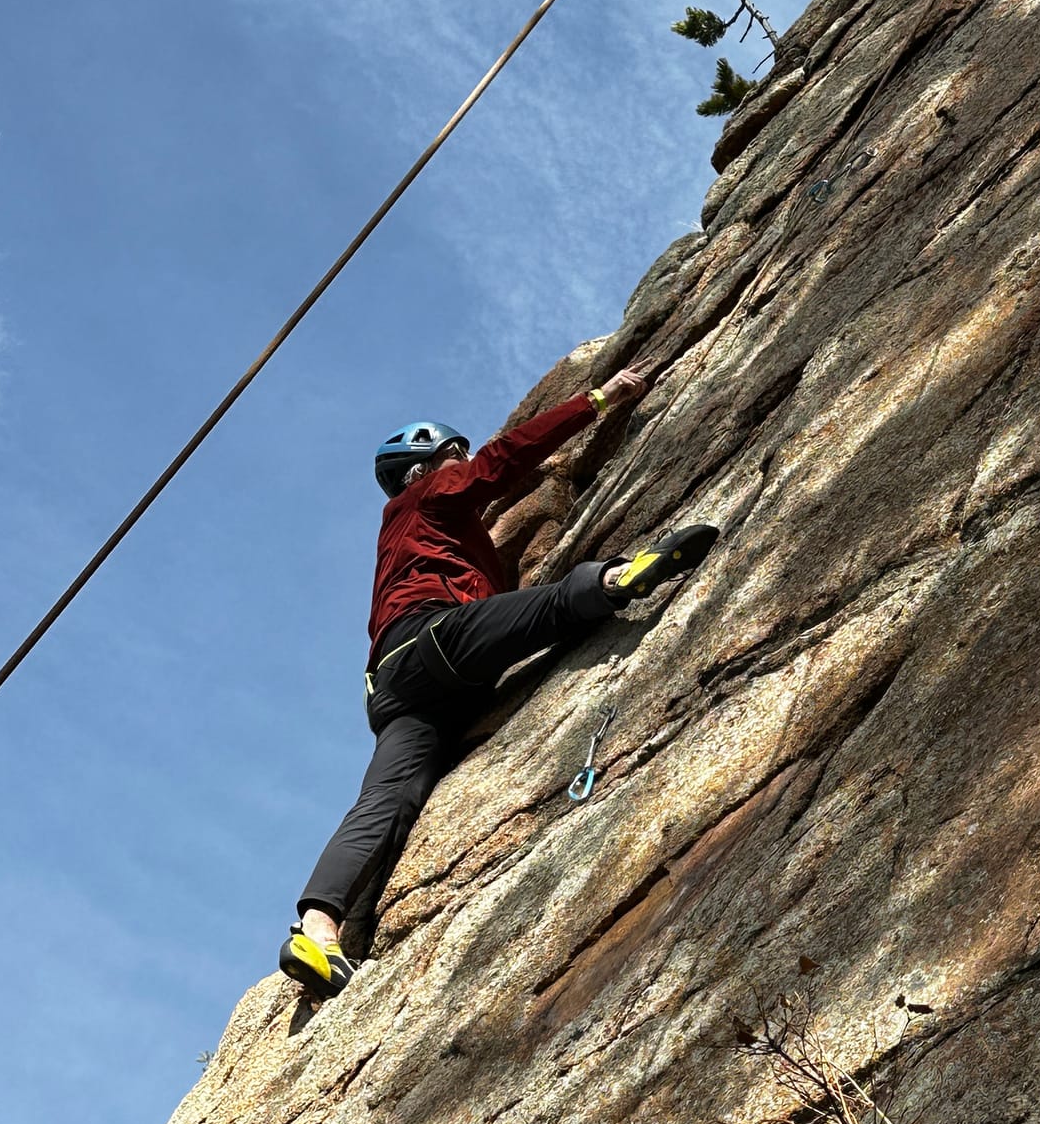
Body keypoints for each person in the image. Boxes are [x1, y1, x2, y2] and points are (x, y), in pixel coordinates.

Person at [279, 360, 716, 998]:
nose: (463, 468)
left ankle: (316, 931)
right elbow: (499, 461)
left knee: (385, 802)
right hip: (430, 642)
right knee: (548, 606)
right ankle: (616, 579)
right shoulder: (424, 496)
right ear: (427, 468)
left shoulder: (420, 538)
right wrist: (597, 399)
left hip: (397, 689)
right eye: (451, 457)